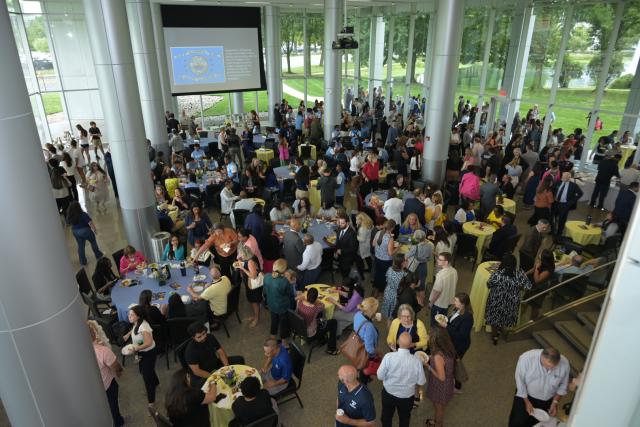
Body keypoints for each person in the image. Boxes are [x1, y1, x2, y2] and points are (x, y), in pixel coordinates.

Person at [508, 348, 570, 427]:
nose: (550, 370)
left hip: (547, 400)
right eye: (547, 366)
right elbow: (520, 382)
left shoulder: (564, 363)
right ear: (541, 357)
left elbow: (563, 385)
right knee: (517, 422)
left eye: (553, 367)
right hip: (525, 396)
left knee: (536, 424)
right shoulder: (526, 359)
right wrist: (526, 402)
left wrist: (555, 402)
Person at [377, 332, 426, 427]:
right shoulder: (416, 361)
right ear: (411, 344)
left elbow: (379, 376)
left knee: (386, 416)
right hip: (407, 397)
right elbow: (421, 381)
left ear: (398, 342)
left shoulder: (388, 357)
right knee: (404, 418)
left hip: (389, 394)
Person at [485, 254, 532, 345]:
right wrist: (519, 288)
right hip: (511, 303)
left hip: (496, 301)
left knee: (494, 320)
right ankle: (500, 330)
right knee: (504, 318)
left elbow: (489, 284)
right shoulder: (519, 274)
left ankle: (495, 336)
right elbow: (528, 287)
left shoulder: (497, 274)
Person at [184, 321, 245, 387]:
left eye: (204, 333)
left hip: (214, 364)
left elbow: (220, 352)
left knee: (239, 359)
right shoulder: (190, 351)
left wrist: (227, 367)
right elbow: (197, 371)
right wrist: (214, 376)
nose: (203, 337)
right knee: (206, 387)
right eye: (199, 337)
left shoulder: (210, 337)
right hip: (202, 374)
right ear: (193, 338)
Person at [87, 320, 125, 427]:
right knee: (113, 405)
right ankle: (119, 423)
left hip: (93, 389)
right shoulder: (103, 351)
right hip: (107, 385)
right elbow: (116, 367)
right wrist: (119, 373)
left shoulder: (79, 352)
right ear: (94, 334)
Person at [122, 305, 159, 410]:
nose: (129, 316)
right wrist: (129, 334)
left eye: (132, 315)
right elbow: (134, 328)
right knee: (147, 370)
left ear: (138, 316)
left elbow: (148, 342)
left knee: (147, 378)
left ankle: (151, 403)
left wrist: (135, 349)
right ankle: (156, 383)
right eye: (129, 314)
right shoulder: (137, 323)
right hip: (142, 352)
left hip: (148, 353)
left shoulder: (144, 327)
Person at [437, 293, 473, 392]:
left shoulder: (468, 318)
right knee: (453, 362)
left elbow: (461, 335)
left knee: (455, 364)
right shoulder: (456, 309)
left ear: (463, 304)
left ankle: (457, 386)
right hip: (452, 341)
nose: (454, 302)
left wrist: (446, 326)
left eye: (456, 301)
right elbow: (452, 322)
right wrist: (446, 321)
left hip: (459, 345)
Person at [423, 326, 457, 427]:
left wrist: (428, 366)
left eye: (429, 335)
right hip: (448, 383)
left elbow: (441, 377)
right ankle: (436, 421)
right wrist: (430, 357)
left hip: (440, 386)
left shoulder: (438, 356)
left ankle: (438, 424)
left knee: (439, 409)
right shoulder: (448, 348)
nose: (427, 336)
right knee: (440, 406)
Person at [296, 287, 339, 355]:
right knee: (333, 322)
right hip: (311, 334)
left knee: (319, 317)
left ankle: (321, 339)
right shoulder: (315, 308)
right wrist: (317, 301)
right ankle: (331, 349)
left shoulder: (300, 302)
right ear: (315, 298)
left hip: (300, 329)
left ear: (307, 295)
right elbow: (323, 305)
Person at [263, 259, 295, 342]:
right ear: (284, 270)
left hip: (271, 304)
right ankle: (284, 341)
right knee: (283, 323)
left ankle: (272, 337)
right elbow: (290, 294)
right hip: (282, 306)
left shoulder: (266, 276)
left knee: (274, 320)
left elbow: (265, 290)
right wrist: (292, 283)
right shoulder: (284, 281)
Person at [66, 201, 103, 266]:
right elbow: (90, 223)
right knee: (93, 242)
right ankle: (98, 255)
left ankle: (83, 262)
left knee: (81, 246)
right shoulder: (83, 214)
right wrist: (94, 230)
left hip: (75, 232)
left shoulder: (70, 216)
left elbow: (68, 223)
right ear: (79, 207)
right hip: (85, 231)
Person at [234, 245, 262, 328]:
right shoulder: (252, 257)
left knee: (254, 302)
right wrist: (242, 263)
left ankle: (256, 318)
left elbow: (253, 276)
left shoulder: (250, 261)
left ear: (244, 253)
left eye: (240, 253)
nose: (240, 255)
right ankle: (255, 315)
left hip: (253, 285)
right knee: (254, 301)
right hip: (252, 284)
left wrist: (242, 268)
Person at [353, 297, 380, 382]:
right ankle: (363, 381)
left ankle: (364, 376)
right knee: (365, 367)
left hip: (358, 344)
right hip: (365, 353)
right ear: (372, 311)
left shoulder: (358, 314)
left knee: (362, 365)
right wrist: (377, 352)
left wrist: (373, 318)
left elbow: (362, 324)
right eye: (376, 309)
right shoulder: (369, 327)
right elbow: (369, 349)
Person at [428, 253, 457, 325]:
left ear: (446, 262)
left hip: (439, 303)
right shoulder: (454, 271)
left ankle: (434, 335)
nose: (437, 260)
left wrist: (431, 303)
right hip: (449, 300)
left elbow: (437, 292)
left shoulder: (440, 275)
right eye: (438, 258)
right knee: (442, 320)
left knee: (434, 322)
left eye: (440, 260)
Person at [372, 220, 398, 298]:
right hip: (386, 261)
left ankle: (375, 290)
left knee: (378, 274)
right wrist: (397, 248)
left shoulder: (378, 233)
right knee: (384, 276)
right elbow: (390, 253)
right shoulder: (390, 238)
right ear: (392, 228)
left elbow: (373, 244)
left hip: (377, 258)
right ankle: (381, 291)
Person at [332, 212, 359, 280]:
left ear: (348, 223)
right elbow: (338, 240)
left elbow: (353, 249)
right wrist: (336, 250)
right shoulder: (339, 228)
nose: (340, 225)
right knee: (342, 270)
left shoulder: (352, 234)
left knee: (345, 274)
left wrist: (341, 251)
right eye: (339, 223)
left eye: (342, 223)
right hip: (340, 256)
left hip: (347, 258)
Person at [381, 254, 407, 321]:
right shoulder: (403, 274)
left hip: (388, 292)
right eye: (406, 260)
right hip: (396, 297)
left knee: (389, 316)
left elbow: (387, 281)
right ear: (402, 263)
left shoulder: (390, 269)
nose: (408, 261)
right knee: (395, 316)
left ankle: (389, 328)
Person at [355, 212, 374, 278]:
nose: (356, 221)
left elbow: (362, 239)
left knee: (359, 259)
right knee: (367, 257)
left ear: (362, 219)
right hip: (368, 245)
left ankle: (361, 274)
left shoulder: (363, 228)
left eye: (357, 220)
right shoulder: (369, 224)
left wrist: (355, 236)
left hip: (363, 245)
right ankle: (370, 269)